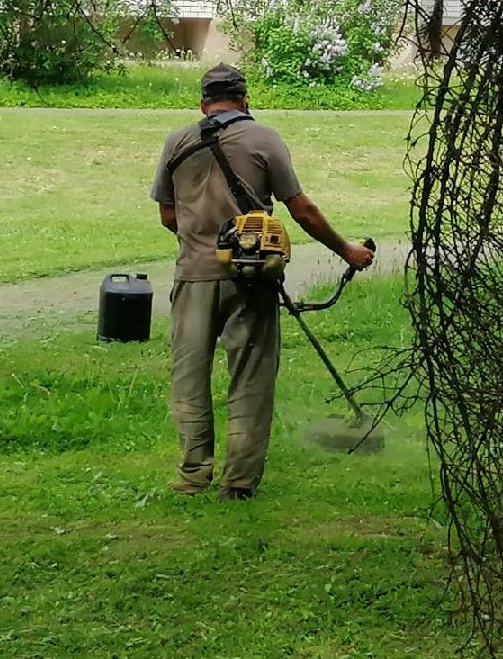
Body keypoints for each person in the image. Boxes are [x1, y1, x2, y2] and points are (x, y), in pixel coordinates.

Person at [149, 63, 375, 500]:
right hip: (252, 278)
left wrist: (201, 241)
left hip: (193, 276)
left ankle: (193, 475)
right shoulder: (263, 138)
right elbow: (300, 209)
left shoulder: (178, 141)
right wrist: (347, 250)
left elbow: (167, 215)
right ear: (244, 101)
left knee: (189, 378)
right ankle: (238, 483)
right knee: (250, 378)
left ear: (203, 103)